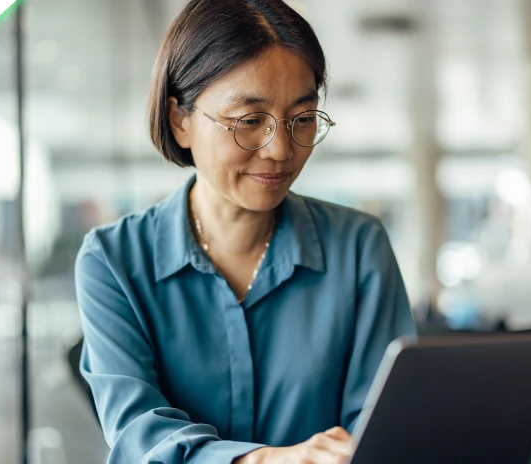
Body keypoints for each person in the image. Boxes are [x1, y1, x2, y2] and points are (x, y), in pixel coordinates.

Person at [74, 1, 417, 463]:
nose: (280, 150)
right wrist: (267, 460)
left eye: (302, 119)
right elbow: (139, 435)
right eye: (250, 121)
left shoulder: (358, 247)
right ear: (180, 120)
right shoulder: (113, 261)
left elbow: (383, 426)